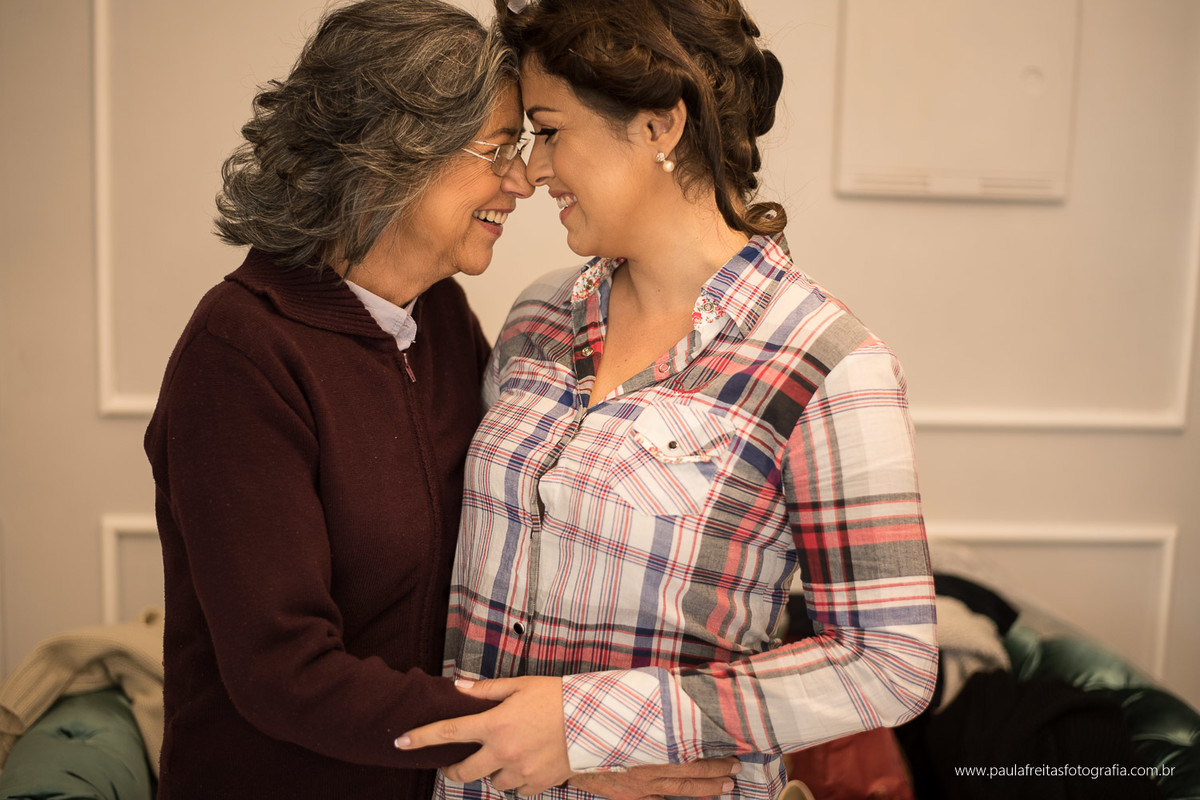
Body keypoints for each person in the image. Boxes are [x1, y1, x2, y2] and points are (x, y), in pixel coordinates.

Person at [395, 0, 940, 798]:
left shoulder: (828, 367)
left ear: (658, 127)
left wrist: (599, 731)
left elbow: (890, 661)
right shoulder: (537, 316)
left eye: (549, 130)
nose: (533, 170)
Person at [143, 0, 532, 795]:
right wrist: (515, 733)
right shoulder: (241, 354)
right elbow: (286, 672)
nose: (522, 181)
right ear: (396, 155)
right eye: (499, 149)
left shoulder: (443, 315)